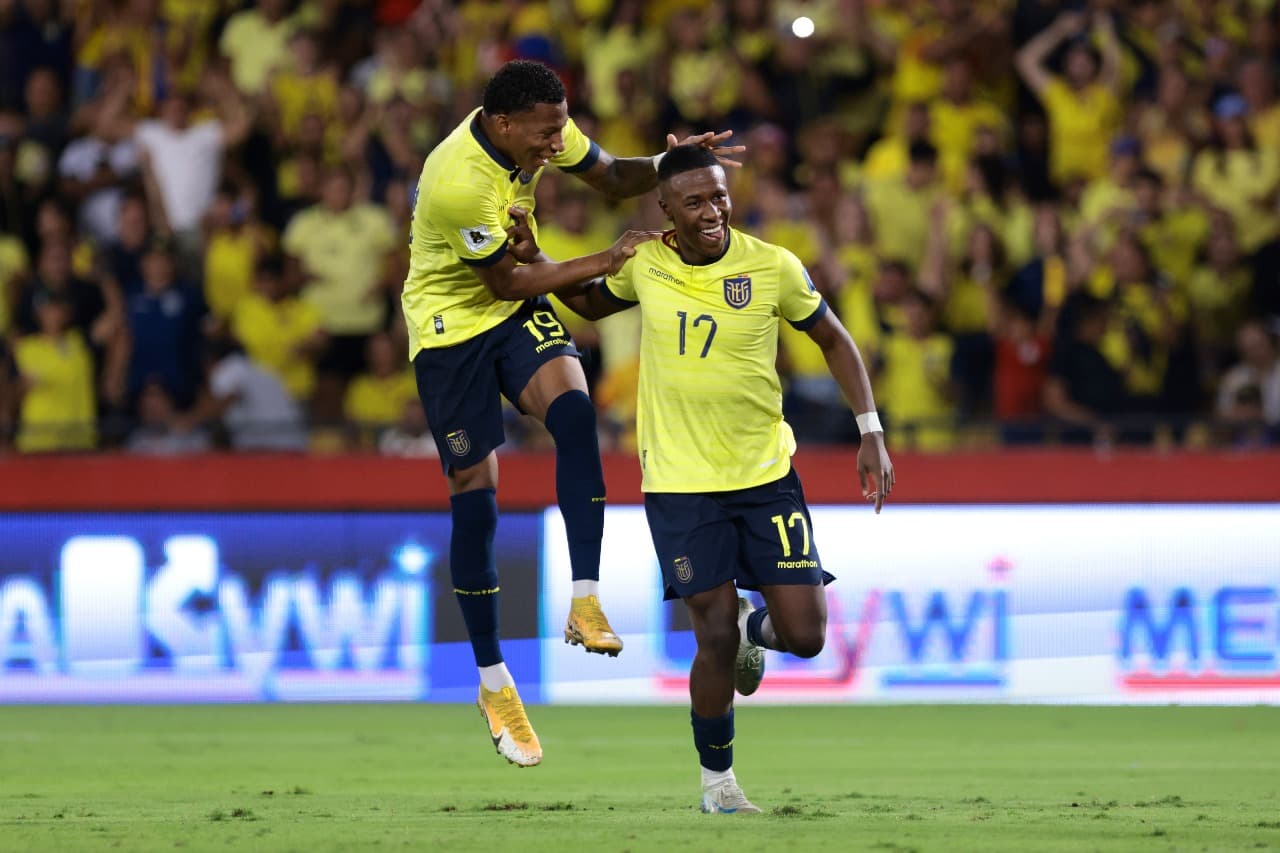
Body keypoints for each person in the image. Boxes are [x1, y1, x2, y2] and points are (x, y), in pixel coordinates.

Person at [403, 59, 743, 768]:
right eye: (545, 132)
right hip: (449, 329)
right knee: (476, 491)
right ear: (502, 125)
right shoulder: (458, 182)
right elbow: (507, 278)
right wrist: (606, 256)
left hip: (508, 311)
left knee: (575, 411)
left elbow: (616, 175)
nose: (557, 144)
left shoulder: (542, 127)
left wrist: (678, 162)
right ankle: (494, 681)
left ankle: (584, 600)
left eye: (562, 126)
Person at [554, 145, 893, 813]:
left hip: (766, 473)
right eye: (696, 201)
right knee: (709, 635)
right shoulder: (646, 263)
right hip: (681, 483)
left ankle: (754, 627)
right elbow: (589, 306)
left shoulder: (772, 265)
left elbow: (834, 339)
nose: (713, 211)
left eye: (719, 196)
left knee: (807, 636)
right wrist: (557, 257)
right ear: (666, 209)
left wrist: (871, 429)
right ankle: (719, 785)